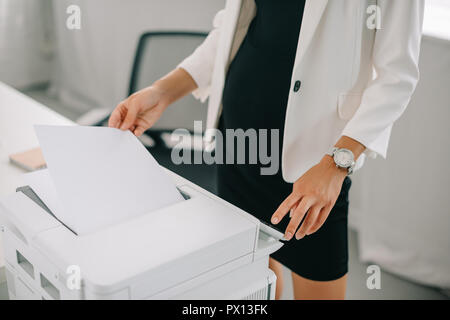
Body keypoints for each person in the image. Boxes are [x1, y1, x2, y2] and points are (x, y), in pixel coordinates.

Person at [109, 0, 424, 299]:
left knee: (317, 271)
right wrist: (161, 92)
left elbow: (397, 77)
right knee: (252, 286)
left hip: (314, 164)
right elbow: (231, 30)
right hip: (238, 142)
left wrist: (337, 164)